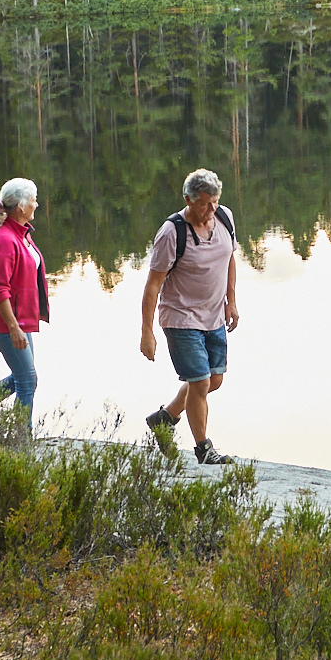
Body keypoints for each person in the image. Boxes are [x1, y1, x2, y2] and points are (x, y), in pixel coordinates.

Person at [140, 167, 239, 464]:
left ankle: (165, 417)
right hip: (181, 319)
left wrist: (231, 300)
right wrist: (147, 331)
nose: (210, 209)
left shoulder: (224, 218)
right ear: (188, 199)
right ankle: (203, 449)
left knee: (214, 380)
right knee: (199, 383)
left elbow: (230, 258)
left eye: (214, 202)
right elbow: (153, 285)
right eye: (204, 204)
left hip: (214, 316)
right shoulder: (172, 233)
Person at [0, 177, 45, 434]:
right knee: (27, 380)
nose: (37, 204)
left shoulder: (21, 234)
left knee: (21, 378)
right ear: (21, 207)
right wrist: (14, 328)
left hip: (21, 320)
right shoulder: (4, 241)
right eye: (33, 200)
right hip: (5, 325)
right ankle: (20, 437)